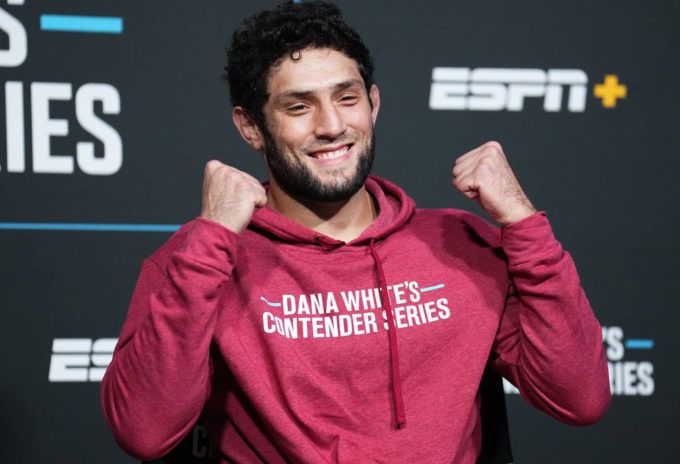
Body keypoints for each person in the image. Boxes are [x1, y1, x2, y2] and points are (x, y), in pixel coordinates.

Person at [101, 1, 611, 463]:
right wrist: (210, 240)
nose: (331, 125)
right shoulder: (202, 260)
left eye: (347, 98)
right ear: (250, 126)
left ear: (374, 103)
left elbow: (579, 399)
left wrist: (522, 220)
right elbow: (144, 433)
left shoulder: (461, 244)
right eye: (298, 107)